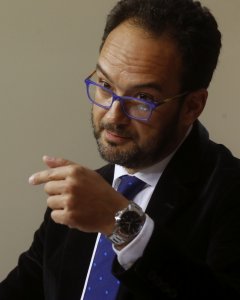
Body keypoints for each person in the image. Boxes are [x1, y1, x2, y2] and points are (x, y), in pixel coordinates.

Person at [1, 0, 240, 299]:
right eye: (105, 85)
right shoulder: (81, 194)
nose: (113, 115)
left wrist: (122, 223)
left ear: (192, 106)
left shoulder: (231, 191)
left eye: (142, 97)